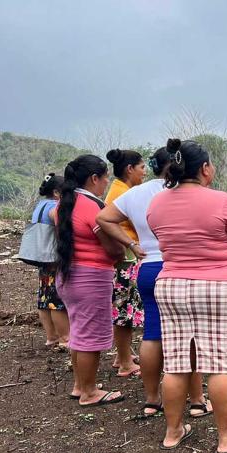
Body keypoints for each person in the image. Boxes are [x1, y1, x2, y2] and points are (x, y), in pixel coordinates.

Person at [147, 138, 227, 453]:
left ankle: (172, 432)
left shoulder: (156, 203)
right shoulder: (221, 201)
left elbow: (163, 238)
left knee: (177, 363)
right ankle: (225, 438)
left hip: (172, 286)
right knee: (221, 364)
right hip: (220, 287)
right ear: (205, 168)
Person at [97, 148, 210, 418]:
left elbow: (103, 218)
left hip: (147, 267)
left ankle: (152, 399)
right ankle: (196, 400)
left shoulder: (135, 193)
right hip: (179, 266)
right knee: (189, 336)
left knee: (152, 333)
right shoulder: (181, 192)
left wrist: (132, 244)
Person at [53, 155, 125, 406]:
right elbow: (114, 249)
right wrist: (122, 253)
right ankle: (90, 392)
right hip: (91, 278)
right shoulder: (91, 207)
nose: (106, 182)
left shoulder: (63, 204)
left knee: (79, 332)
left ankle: (80, 385)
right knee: (90, 339)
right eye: (105, 178)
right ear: (94, 178)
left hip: (68, 274)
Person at [103, 149, 144, 378]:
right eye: (141, 168)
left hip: (127, 257)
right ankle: (125, 362)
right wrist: (130, 244)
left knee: (125, 310)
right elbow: (108, 223)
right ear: (130, 169)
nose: (143, 173)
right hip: (125, 260)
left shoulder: (121, 189)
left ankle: (123, 354)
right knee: (124, 311)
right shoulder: (120, 193)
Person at [32, 173, 69, 349]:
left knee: (44, 296)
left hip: (41, 256)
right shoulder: (55, 206)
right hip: (54, 256)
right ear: (56, 192)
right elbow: (61, 227)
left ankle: (51, 336)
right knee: (56, 300)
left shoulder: (40, 205)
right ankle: (64, 338)